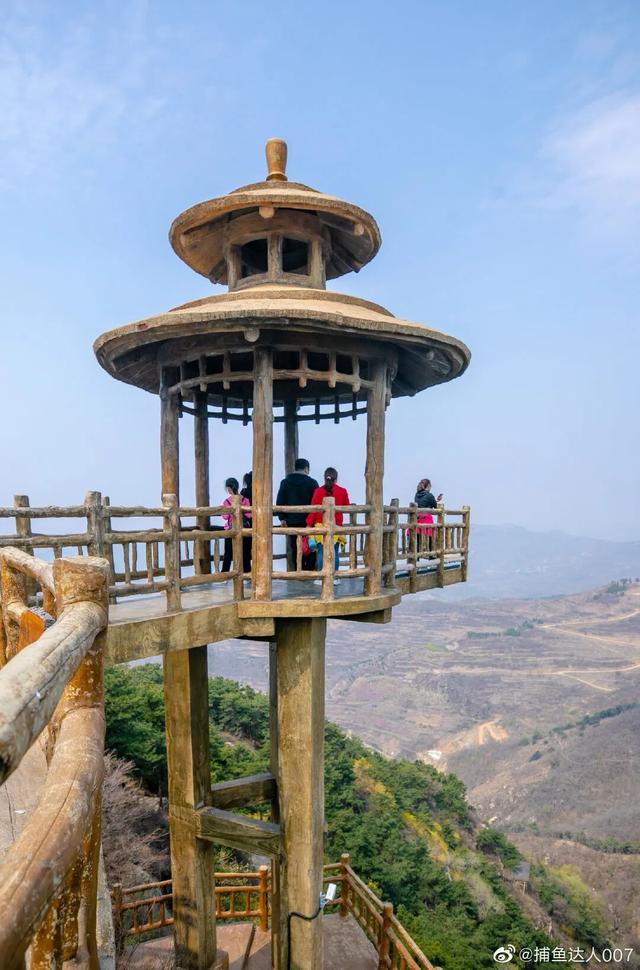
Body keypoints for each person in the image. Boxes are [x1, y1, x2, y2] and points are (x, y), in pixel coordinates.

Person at [306, 467, 350, 585]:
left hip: (320, 526)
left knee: (321, 551)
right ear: (336, 479)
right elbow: (346, 507)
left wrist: (309, 524)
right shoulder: (342, 491)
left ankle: (321, 576)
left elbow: (313, 509)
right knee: (334, 552)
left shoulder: (318, 491)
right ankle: (334, 577)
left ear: (324, 478)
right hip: (336, 526)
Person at [276, 458, 319, 570]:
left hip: (291, 521)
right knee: (311, 545)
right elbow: (318, 502)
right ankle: (309, 571)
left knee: (295, 547)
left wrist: (282, 518)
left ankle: (297, 571)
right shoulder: (312, 483)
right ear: (306, 469)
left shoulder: (285, 482)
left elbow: (279, 502)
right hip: (309, 522)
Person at [220, 477, 251, 575]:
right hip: (244, 530)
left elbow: (225, 517)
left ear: (229, 488)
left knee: (228, 554)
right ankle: (246, 572)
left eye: (228, 489)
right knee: (245, 553)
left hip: (230, 530)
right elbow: (250, 515)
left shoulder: (227, 502)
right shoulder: (245, 500)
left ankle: (225, 573)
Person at [414, 478, 442, 551]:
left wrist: (435, 501)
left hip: (417, 519)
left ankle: (417, 555)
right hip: (426, 520)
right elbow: (435, 506)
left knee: (418, 538)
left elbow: (423, 503)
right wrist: (437, 501)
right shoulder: (430, 495)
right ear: (428, 486)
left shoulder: (417, 494)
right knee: (430, 538)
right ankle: (430, 554)